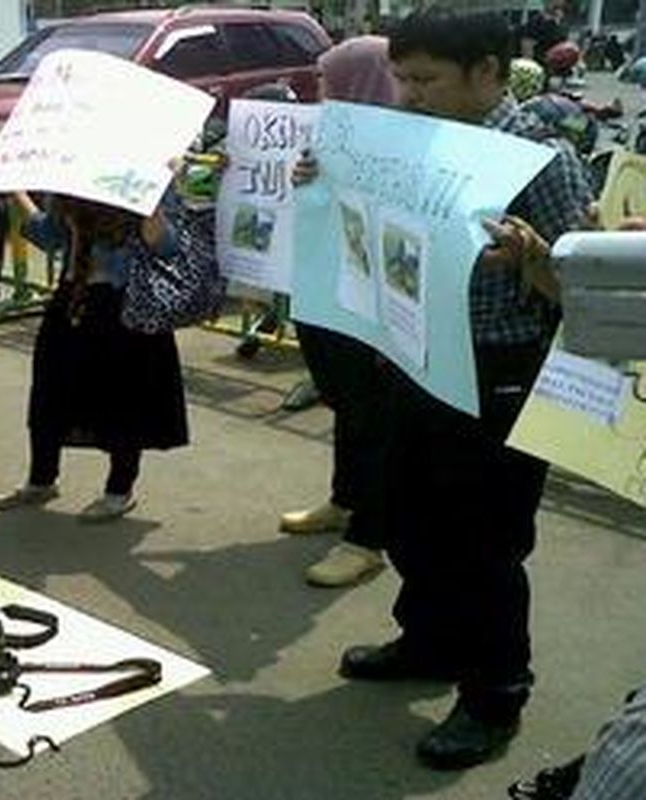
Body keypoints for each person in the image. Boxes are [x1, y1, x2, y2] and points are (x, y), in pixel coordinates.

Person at [324, 11, 592, 770]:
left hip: (500, 372)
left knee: (485, 544)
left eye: (424, 80)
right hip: (419, 361)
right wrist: (324, 189)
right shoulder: (418, 148)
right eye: (401, 79)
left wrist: (536, 259)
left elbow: (577, 293)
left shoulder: (541, 160)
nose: (407, 96)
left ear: (487, 73)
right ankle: (430, 641)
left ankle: (494, 693)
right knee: (410, 519)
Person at [0, 191, 189, 522]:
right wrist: (18, 194)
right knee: (49, 392)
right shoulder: (71, 177)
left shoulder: (149, 177)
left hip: (125, 302)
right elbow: (50, 236)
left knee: (123, 400)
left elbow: (167, 246)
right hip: (72, 296)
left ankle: (119, 491)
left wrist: (147, 201)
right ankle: (41, 480)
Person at [280, 36, 396, 588]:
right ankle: (344, 502)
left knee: (372, 419)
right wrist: (304, 182)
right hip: (327, 295)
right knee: (347, 408)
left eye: (327, 80)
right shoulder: (331, 140)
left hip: (372, 306)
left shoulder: (402, 146)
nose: (318, 89)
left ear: (359, 82)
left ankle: (369, 538)